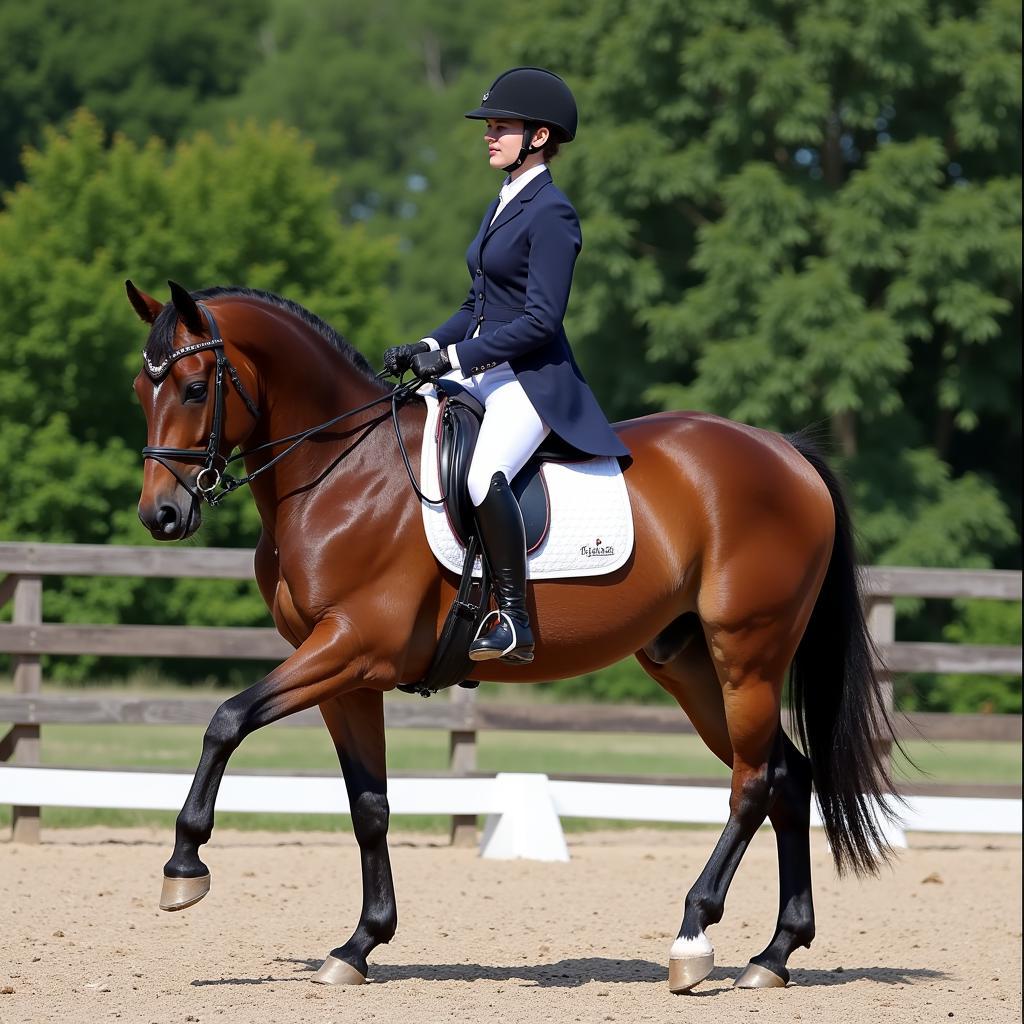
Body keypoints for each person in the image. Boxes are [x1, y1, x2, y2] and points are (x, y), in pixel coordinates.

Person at [385, 66, 629, 665]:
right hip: (486, 369)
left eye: (501, 127)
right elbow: (476, 304)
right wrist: (424, 345)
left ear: (539, 137)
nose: (489, 136)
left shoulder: (552, 213)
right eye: (489, 127)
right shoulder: (504, 201)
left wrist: (455, 356)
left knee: (481, 473)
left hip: (531, 380)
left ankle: (514, 619)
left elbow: (541, 323)